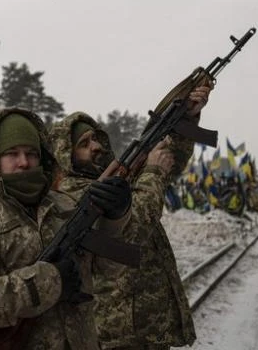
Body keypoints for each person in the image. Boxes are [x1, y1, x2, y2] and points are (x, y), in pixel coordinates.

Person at [0, 108, 133, 349]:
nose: (24, 162)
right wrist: (47, 283)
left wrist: (116, 216)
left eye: (31, 153)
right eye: (12, 154)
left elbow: (109, 270)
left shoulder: (64, 206)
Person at [48, 83, 210, 350]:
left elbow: (170, 161)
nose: (96, 146)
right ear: (65, 154)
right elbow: (134, 228)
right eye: (84, 143)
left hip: (145, 324)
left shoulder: (114, 179)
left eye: (96, 138)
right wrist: (153, 173)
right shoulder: (70, 196)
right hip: (117, 332)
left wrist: (187, 118)